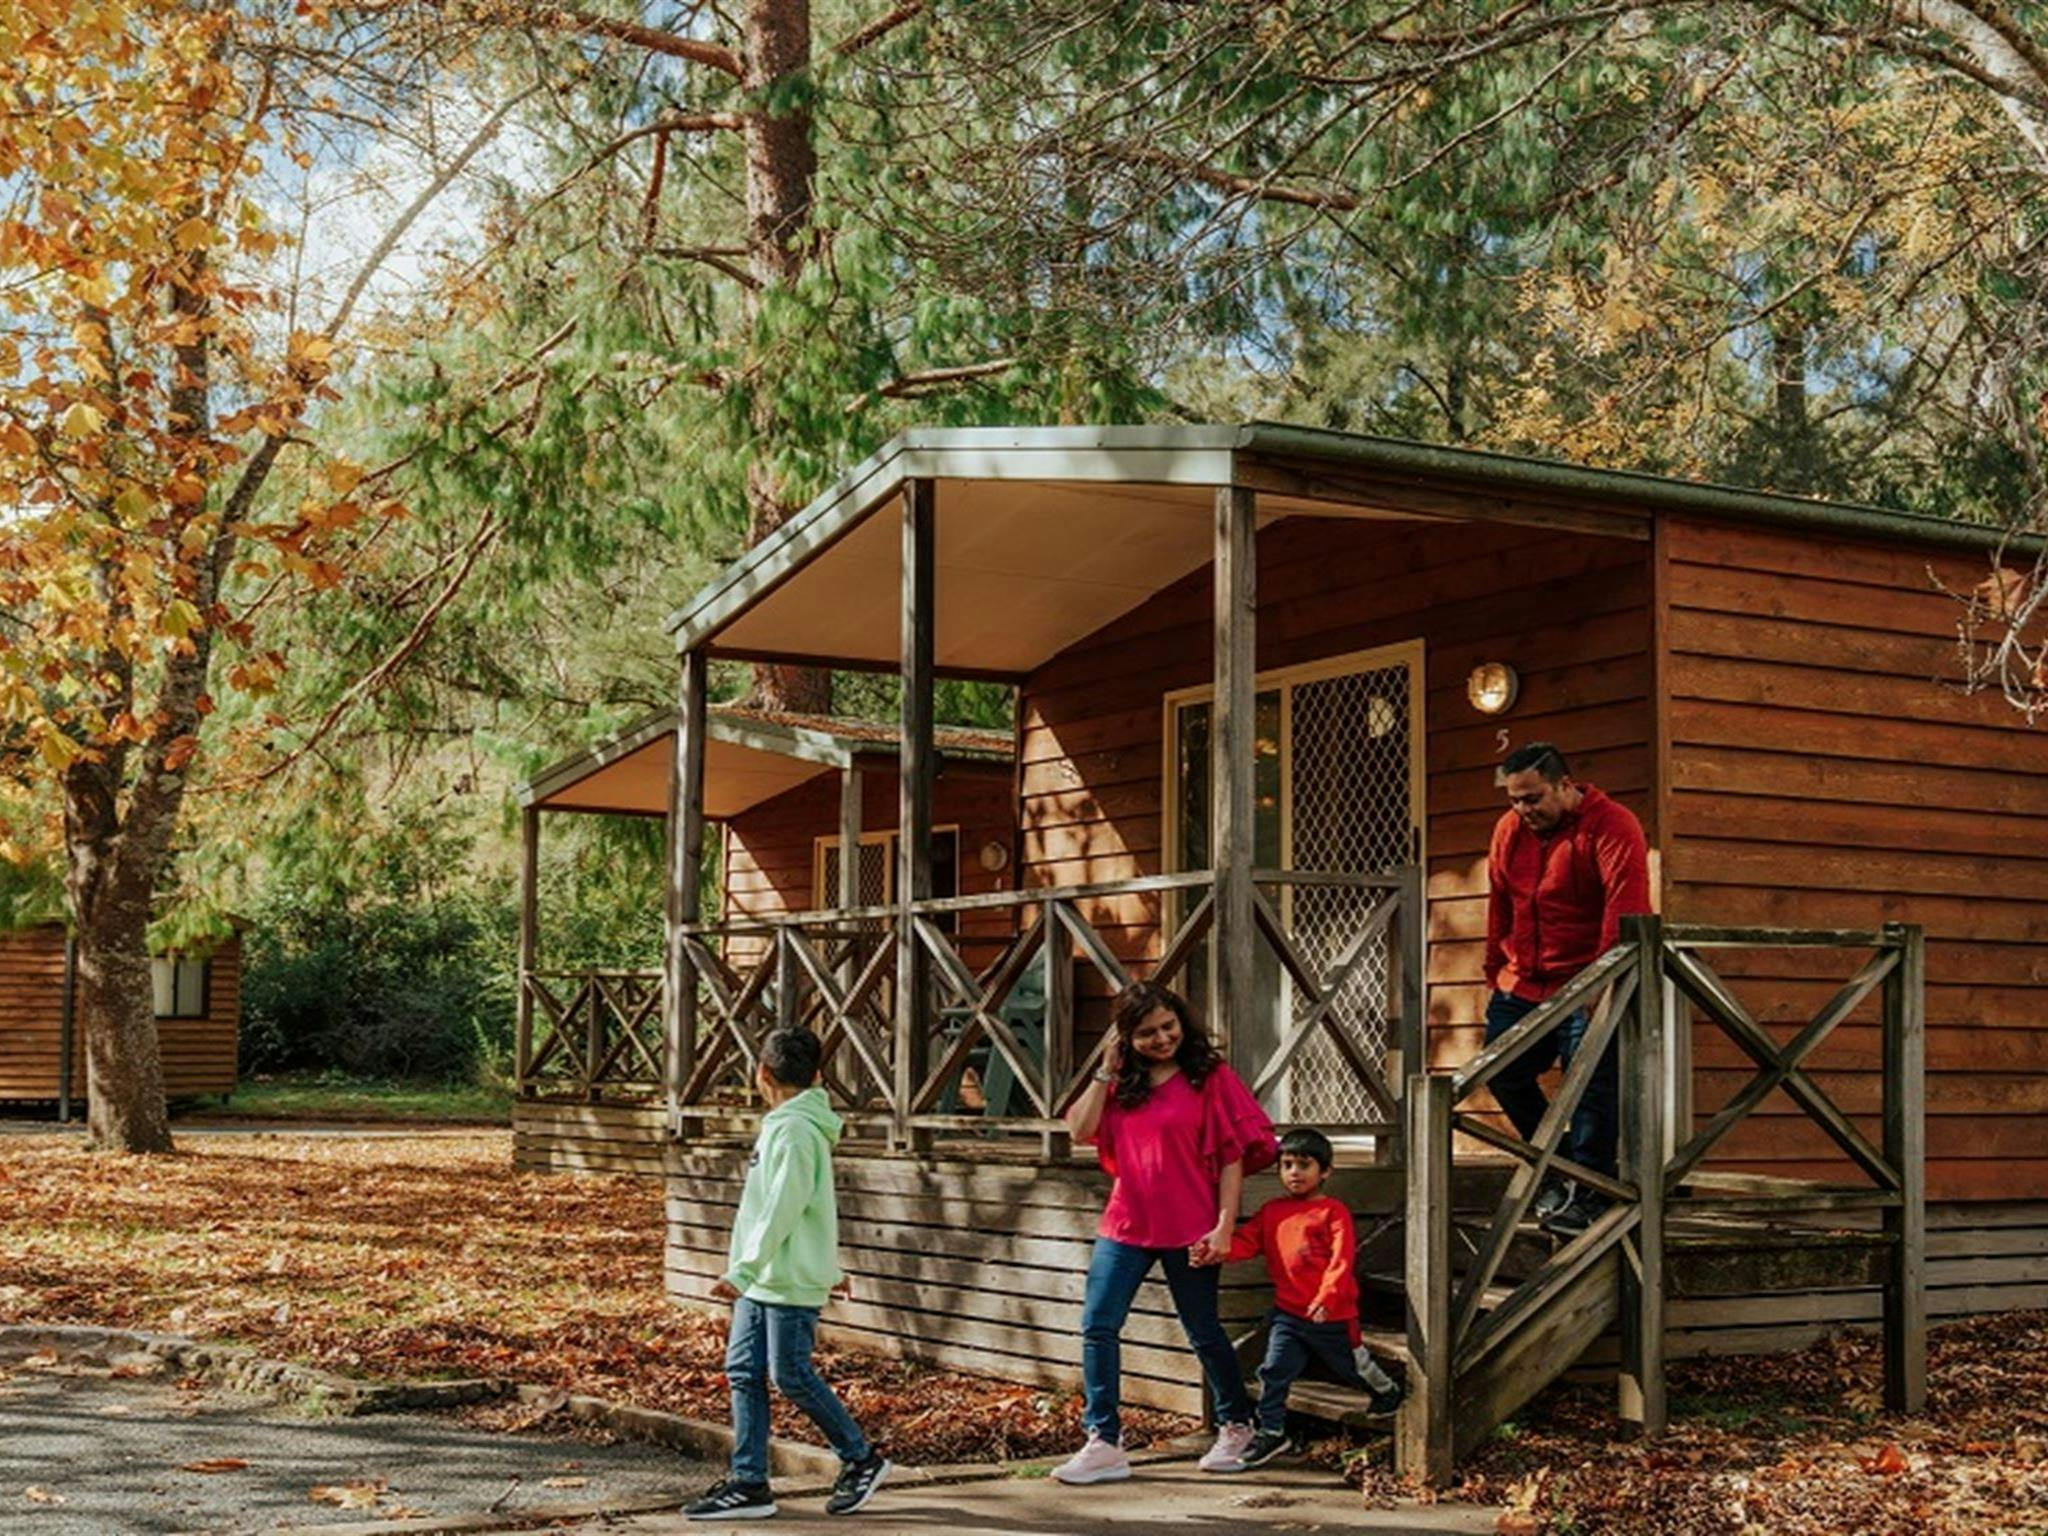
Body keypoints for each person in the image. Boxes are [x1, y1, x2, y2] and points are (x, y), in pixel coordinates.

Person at [1053, 981, 1278, 1484]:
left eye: (1168, 1026)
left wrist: (1224, 1227)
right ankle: (1104, 1441)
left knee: (1202, 1330)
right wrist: (1105, 1069)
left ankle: (1237, 1424)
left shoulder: (1209, 1076)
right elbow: (1080, 1129)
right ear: (1127, 1038)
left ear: (1182, 1021)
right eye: (1147, 1032)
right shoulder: (1122, 1082)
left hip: (1192, 1226)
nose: (1161, 1039)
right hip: (1126, 1224)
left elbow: (1232, 1157)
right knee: (1098, 1326)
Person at [684, 1028, 890, 1521]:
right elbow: (806, 1207)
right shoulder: (786, 1125)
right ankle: (750, 1483)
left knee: (791, 1374)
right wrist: (827, 1266)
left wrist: (744, 1269)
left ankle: (861, 1459)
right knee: (742, 1371)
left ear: (762, 1073)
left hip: (777, 1277)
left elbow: (786, 1206)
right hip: (766, 1277)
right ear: (817, 1075)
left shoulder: (797, 1130)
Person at [1483, 741, 1651, 1237]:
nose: (1524, 809)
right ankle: (1558, 1169)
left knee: (1590, 1087)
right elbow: (1500, 902)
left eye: (1533, 798)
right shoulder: (1509, 830)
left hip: (1585, 979)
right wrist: (1493, 969)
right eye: (1515, 799)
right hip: (1523, 980)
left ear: (1564, 785)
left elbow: (1626, 907)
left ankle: (1592, 1194)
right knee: (1501, 1070)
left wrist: (1603, 980)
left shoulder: (1613, 824)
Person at [1213, 1127, 1404, 1469]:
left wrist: (1327, 1297)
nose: (1294, 1173)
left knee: (1353, 1368)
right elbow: (1246, 1242)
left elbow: (1341, 1261)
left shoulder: (1332, 1212)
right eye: (1287, 1165)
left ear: (1325, 1171)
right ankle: (1272, 1431)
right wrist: (1216, 1250)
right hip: (1288, 1314)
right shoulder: (1272, 1211)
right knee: (1274, 1370)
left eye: (1304, 1165)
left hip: (1333, 1315)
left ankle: (1386, 1390)